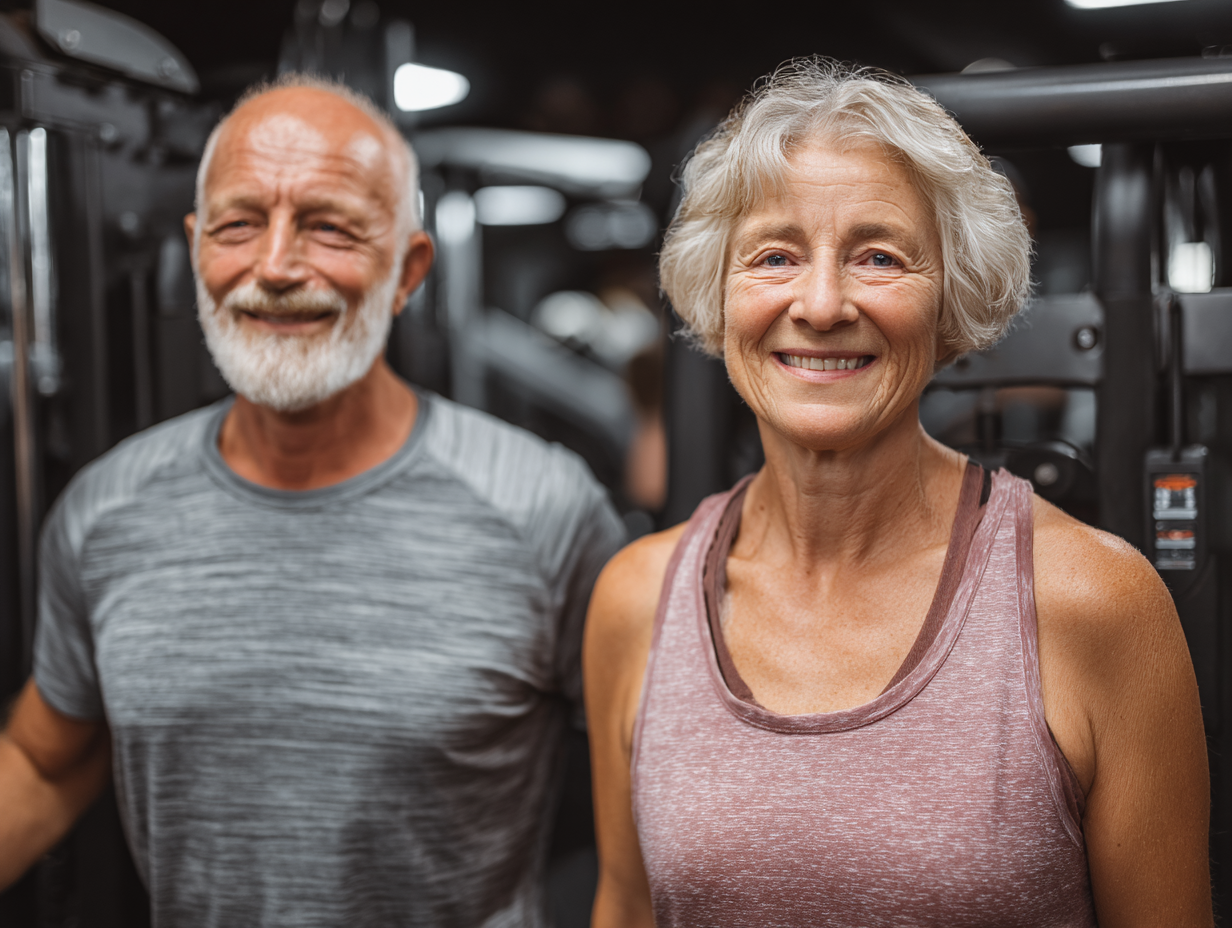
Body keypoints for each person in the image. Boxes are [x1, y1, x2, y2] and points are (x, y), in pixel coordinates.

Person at [585, 58, 1211, 928]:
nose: (823, 301)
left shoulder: (1096, 604)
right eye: (774, 255)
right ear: (717, 295)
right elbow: (625, 905)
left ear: (952, 300)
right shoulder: (636, 599)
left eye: (879, 256)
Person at [0, 75, 625, 927]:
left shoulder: (543, 509)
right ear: (196, 250)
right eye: (238, 224)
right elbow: (46, 759)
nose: (277, 266)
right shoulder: (105, 511)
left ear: (407, 271)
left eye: (328, 226)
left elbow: (652, 816)